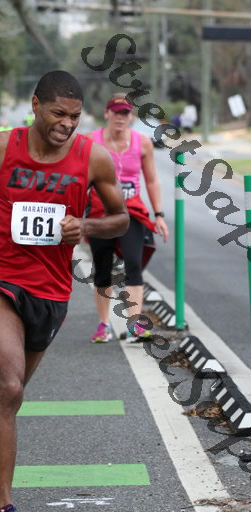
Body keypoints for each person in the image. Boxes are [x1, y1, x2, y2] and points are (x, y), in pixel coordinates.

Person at [0, 71, 129, 512]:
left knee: (8, 390)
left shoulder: (93, 157)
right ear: (36, 105)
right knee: (10, 387)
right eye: (58, 113)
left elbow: (121, 217)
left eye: (75, 116)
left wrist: (86, 226)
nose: (67, 124)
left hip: (52, 292)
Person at [87, 94, 169, 344]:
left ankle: (134, 325)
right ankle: (104, 325)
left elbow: (151, 180)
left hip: (131, 211)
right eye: (116, 112)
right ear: (107, 114)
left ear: (131, 117)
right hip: (100, 211)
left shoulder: (142, 143)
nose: (120, 117)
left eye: (125, 113)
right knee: (102, 268)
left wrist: (159, 214)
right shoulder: (91, 141)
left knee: (133, 263)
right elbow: (80, 179)